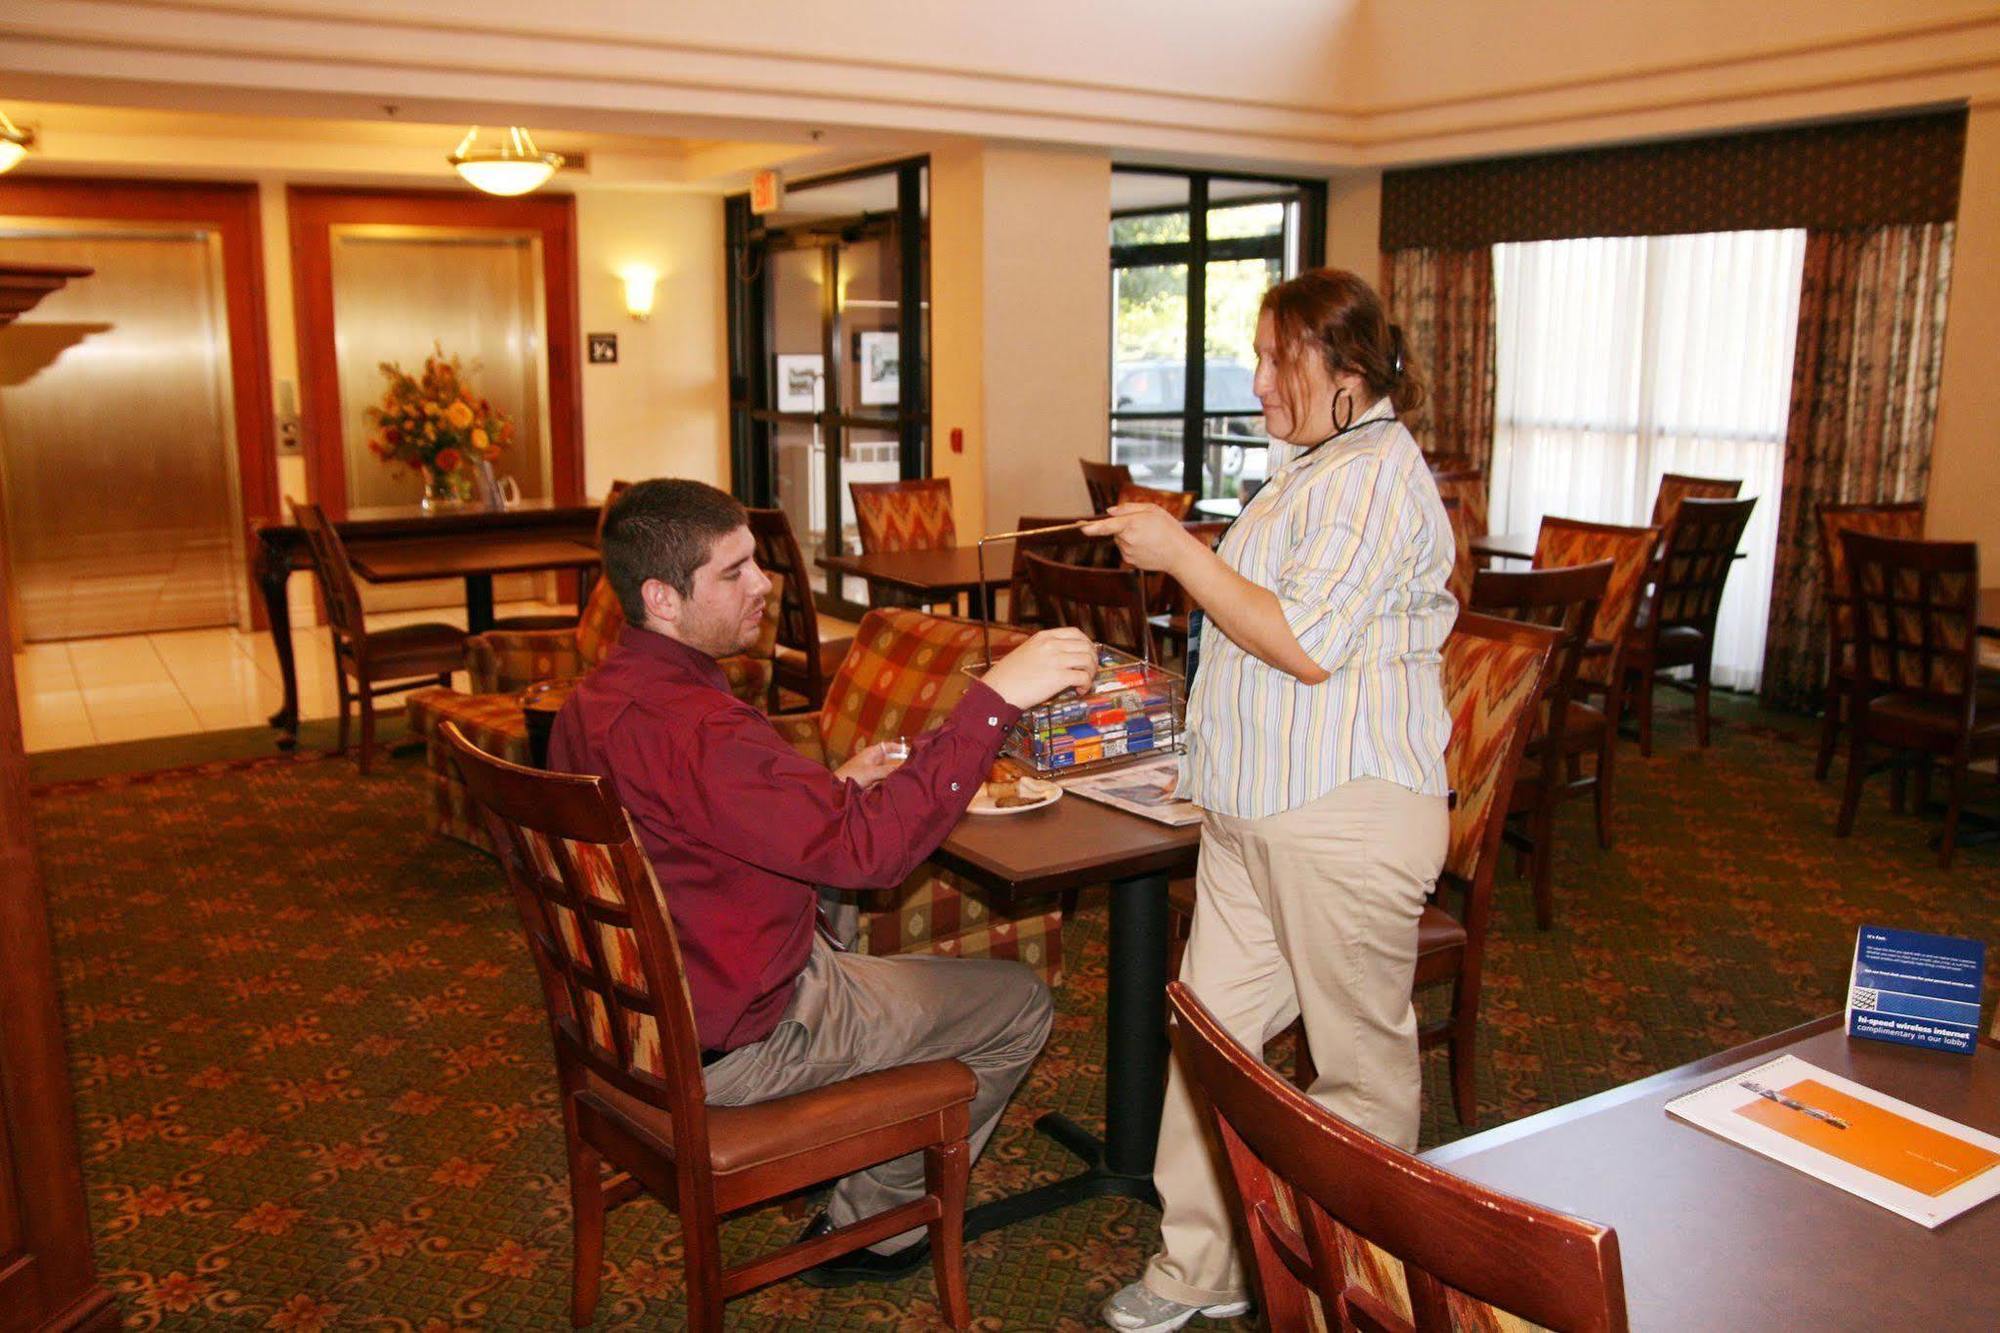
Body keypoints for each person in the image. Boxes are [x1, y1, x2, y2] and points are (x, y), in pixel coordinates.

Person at [547, 478, 1098, 1284]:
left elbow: (680, 828)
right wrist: (996, 698)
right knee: (1018, 1004)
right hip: (740, 1035)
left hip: (628, 1021)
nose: (764, 582)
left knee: (903, 970)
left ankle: (858, 1149)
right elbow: (872, 856)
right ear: (661, 598)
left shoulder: (593, 701)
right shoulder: (701, 728)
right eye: (733, 572)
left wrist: (826, 786)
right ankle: (874, 1223)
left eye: (756, 562)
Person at [1087, 269, 1456, 1332]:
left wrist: (1178, 553)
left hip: (1342, 810)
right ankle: (1197, 1268)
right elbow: (1256, 636)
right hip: (1252, 812)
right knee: (1210, 1041)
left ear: (1344, 369)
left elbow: (1298, 642)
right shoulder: (1314, 466)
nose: (1254, 383)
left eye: (1271, 360)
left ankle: (1367, 1289)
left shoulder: (1376, 474)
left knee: (1358, 1066)